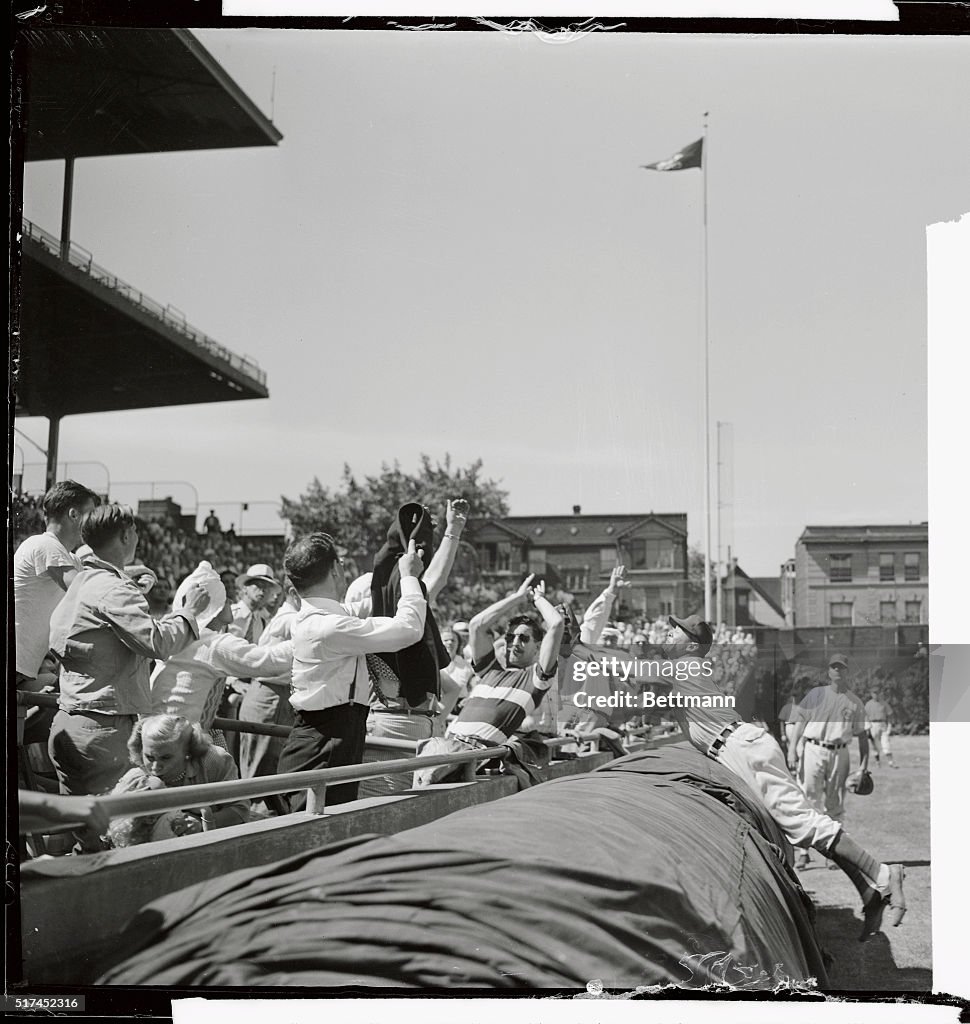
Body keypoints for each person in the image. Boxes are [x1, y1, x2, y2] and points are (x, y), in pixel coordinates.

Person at [655, 617, 905, 941]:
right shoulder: (684, 670)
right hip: (738, 747)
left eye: (673, 630)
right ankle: (869, 892)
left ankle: (884, 873)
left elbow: (624, 667)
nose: (665, 633)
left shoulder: (685, 665)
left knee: (803, 823)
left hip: (740, 747)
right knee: (798, 827)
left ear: (690, 644)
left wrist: (578, 648)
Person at [47, 504, 209, 847]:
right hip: (105, 732)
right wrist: (188, 613)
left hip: (70, 723)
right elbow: (158, 641)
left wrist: (127, 578)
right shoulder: (112, 588)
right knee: (124, 838)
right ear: (126, 536)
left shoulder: (83, 582)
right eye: (133, 532)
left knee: (87, 841)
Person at [275, 532, 427, 811]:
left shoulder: (321, 618)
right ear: (335, 569)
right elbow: (410, 629)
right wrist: (409, 577)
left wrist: (399, 573)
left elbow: (367, 606)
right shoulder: (330, 626)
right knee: (316, 835)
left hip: (326, 739)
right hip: (325, 746)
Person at [413, 575, 564, 788]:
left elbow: (556, 624)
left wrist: (537, 598)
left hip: (464, 760)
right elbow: (476, 625)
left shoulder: (535, 679)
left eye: (524, 638)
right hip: (440, 747)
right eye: (510, 637)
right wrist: (516, 598)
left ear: (538, 647)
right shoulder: (490, 670)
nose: (515, 643)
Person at [151, 562, 294, 748]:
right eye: (225, 599)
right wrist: (309, 637)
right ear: (214, 606)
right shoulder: (212, 643)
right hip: (179, 740)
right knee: (224, 767)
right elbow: (269, 662)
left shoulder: (180, 635)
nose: (231, 602)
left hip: (167, 731)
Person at [107, 714, 249, 847]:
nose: (155, 767)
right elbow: (112, 825)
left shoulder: (215, 760)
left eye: (165, 758)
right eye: (150, 757)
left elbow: (240, 810)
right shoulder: (134, 773)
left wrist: (202, 823)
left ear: (188, 752)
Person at [787, 654, 869, 870]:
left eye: (841, 667)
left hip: (839, 752)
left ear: (847, 671)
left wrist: (863, 767)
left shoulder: (855, 702)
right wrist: (791, 751)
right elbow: (799, 722)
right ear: (829, 671)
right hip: (813, 749)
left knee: (835, 803)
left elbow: (862, 736)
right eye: (834, 667)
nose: (837, 671)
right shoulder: (816, 695)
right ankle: (804, 852)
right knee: (808, 800)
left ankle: (832, 852)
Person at [237, 580, 302, 786]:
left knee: (268, 773)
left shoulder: (287, 616)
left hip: (273, 695)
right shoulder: (292, 618)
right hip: (270, 696)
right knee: (261, 776)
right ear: (294, 593)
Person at [865, 690, 898, 768]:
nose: (875, 695)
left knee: (886, 743)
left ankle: (891, 763)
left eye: (877, 693)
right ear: (871, 694)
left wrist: (890, 725)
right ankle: (878, 763)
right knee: (875, 745)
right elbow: (865, 716)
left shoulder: (884, 703)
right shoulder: (868, 704)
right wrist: (867, 728)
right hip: (872, 725)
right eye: (874, 693)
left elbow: (890, 714)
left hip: (882, 724)